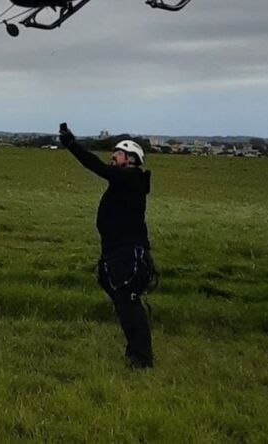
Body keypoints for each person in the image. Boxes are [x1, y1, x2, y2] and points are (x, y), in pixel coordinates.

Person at [59, 123, 158, 369]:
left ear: (131, 159)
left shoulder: (132, 178)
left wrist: (72, 144)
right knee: (117, 294)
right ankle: (136, 351)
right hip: (115, 251)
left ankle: (141, 359)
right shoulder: (124, 182)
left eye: (118, 153)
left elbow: (95, 165)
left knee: (128, 300)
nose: (113, 156)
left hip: (127, 252)